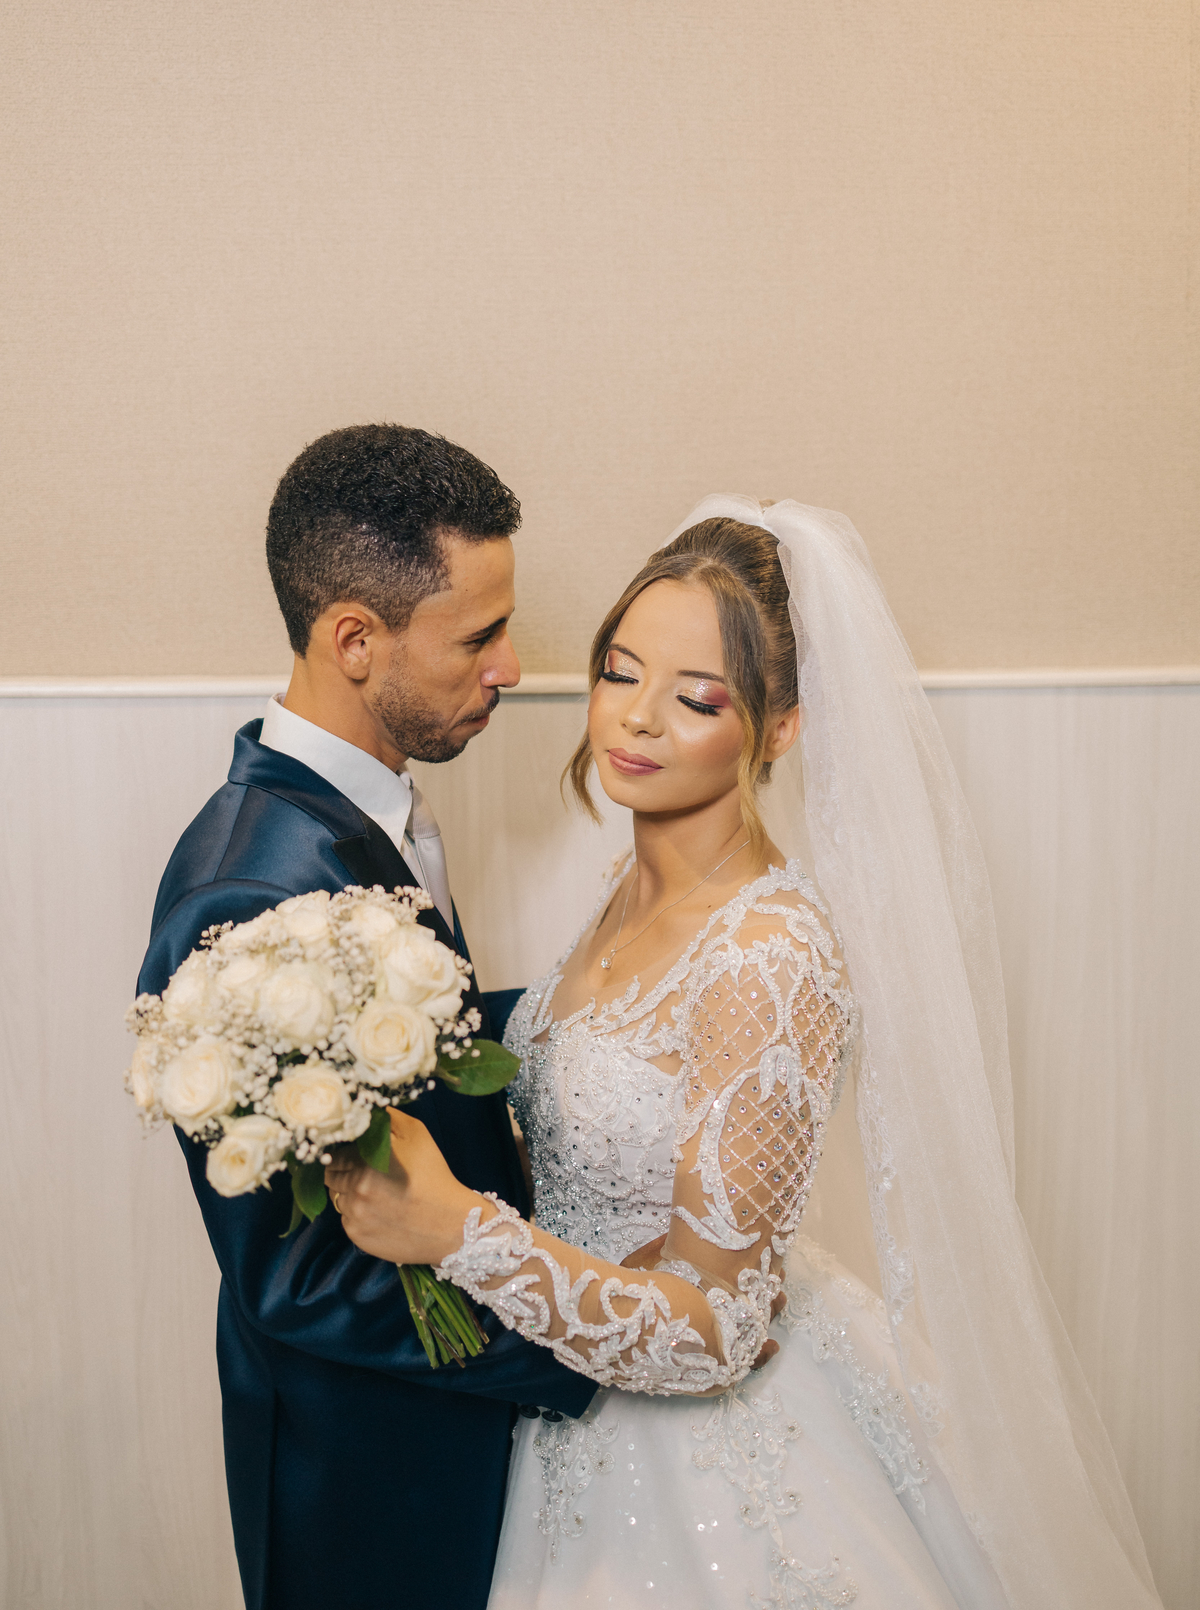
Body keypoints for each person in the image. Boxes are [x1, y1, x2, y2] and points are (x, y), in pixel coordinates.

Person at [327, 498, 1164, 1610]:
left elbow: (719, 1332)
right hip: (575, 1399)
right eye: (620, 673)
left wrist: (458, 1231)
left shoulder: (771, 952)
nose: (636, 719)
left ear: (779, 729)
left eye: (698, 699)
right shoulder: (627, 890)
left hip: (710, 1456)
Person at [137, 425, 604, 1610]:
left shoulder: (363, 811)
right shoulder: (249, 894)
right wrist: (586, 1346)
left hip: (443, 1430)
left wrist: (609, 1022)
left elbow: (430, 1066)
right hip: (369, 1478)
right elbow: (296, 1279)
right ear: (356, 640)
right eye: (480, 637)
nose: (510, 668)